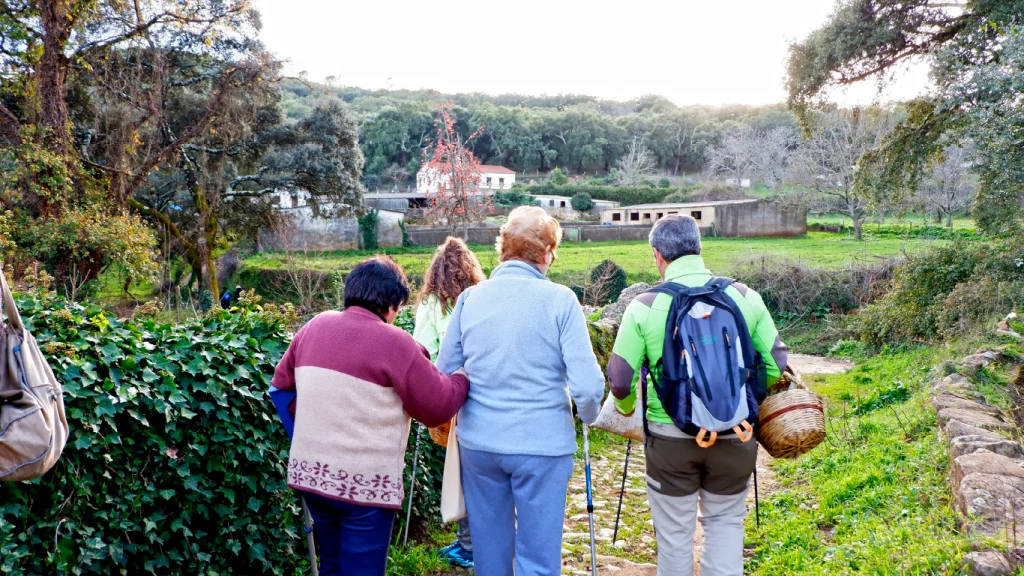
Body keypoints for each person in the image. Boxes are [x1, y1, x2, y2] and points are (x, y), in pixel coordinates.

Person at [608, 215, 788, 576]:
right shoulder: (744, 296)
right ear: (698, 248)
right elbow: (776, 363)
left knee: (674, 537)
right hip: (737, 435)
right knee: (725, 525)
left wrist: (628, 411)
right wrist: (742, 400)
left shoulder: (644, 305)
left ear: (658, 255)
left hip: (670, 439)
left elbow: (620, 380)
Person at [270, 257, 469, 576]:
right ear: (392, 303)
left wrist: (311, 432)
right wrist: (462, 377)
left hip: (311, 477)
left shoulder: (314, 326)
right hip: (364, 488)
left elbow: (280, 389)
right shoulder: (396, 343)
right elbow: (437, 408)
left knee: (331, 565)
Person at [437, 206, 605, 576]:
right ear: (547, 253)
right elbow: (588, 387)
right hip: (542, 445)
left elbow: (444, 371)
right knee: (538, 556)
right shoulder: (561, 300)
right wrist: (589, 417)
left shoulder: (470, 299)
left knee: (490, 554)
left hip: (480, 444)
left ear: (503, 250)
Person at [411, 237, 485, 569]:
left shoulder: (432, 305)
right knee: (482, 473)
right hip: (485, 394)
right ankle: (480, 540)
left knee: (460, 472)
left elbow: (421, 351)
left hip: (453, 397)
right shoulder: (483, 298)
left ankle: (468, 547)